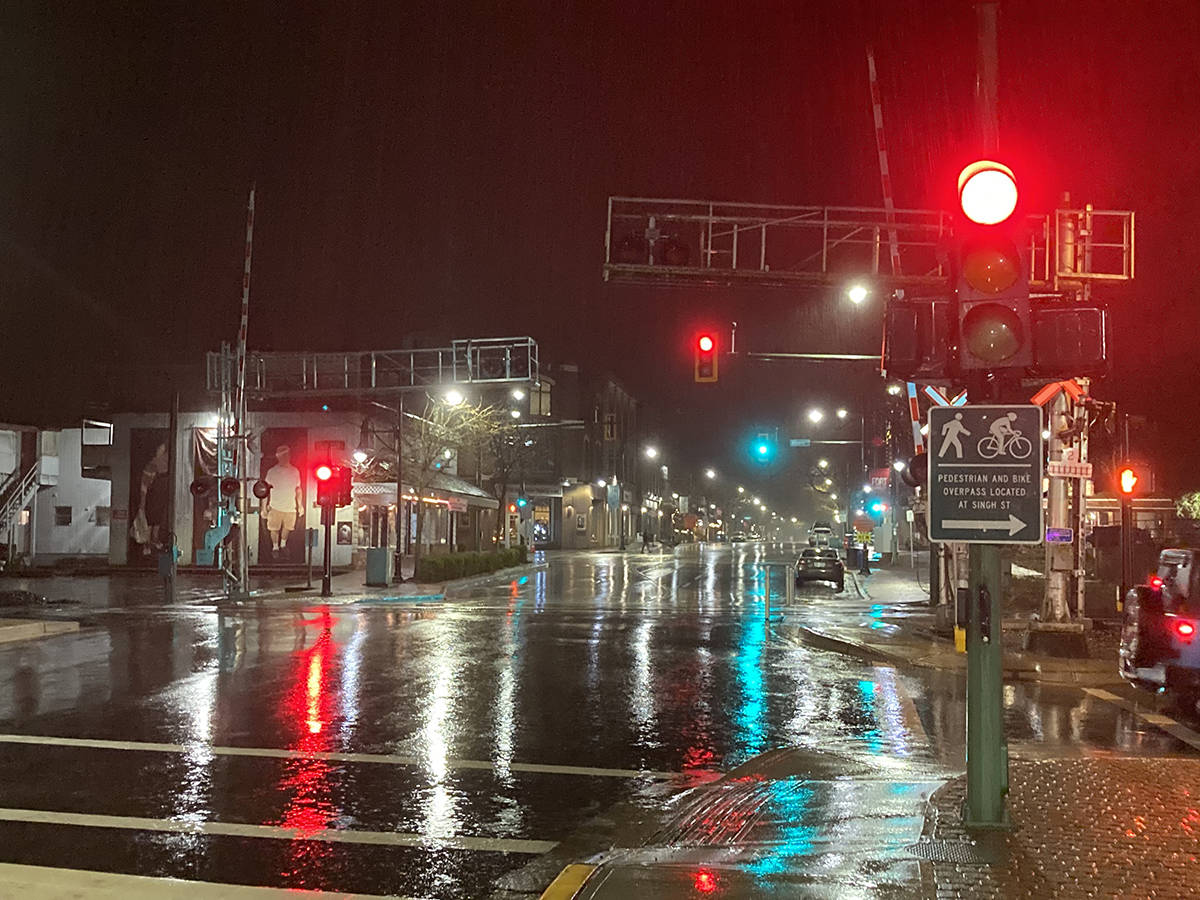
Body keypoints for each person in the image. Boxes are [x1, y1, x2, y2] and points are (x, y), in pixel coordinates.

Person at [263, 444, 303, 558]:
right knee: (274, 529)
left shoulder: (295, 471)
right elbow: (265, 490)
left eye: (287, 455)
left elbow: (298, 489)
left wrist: (300, 505)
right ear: (278, 457)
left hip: (290, 506)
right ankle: (275, 547)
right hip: (275, 506)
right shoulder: (272, 472)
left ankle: (283, 544)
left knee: (288, 528)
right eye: (282, 455)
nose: (285, 457)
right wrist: (263, 508)